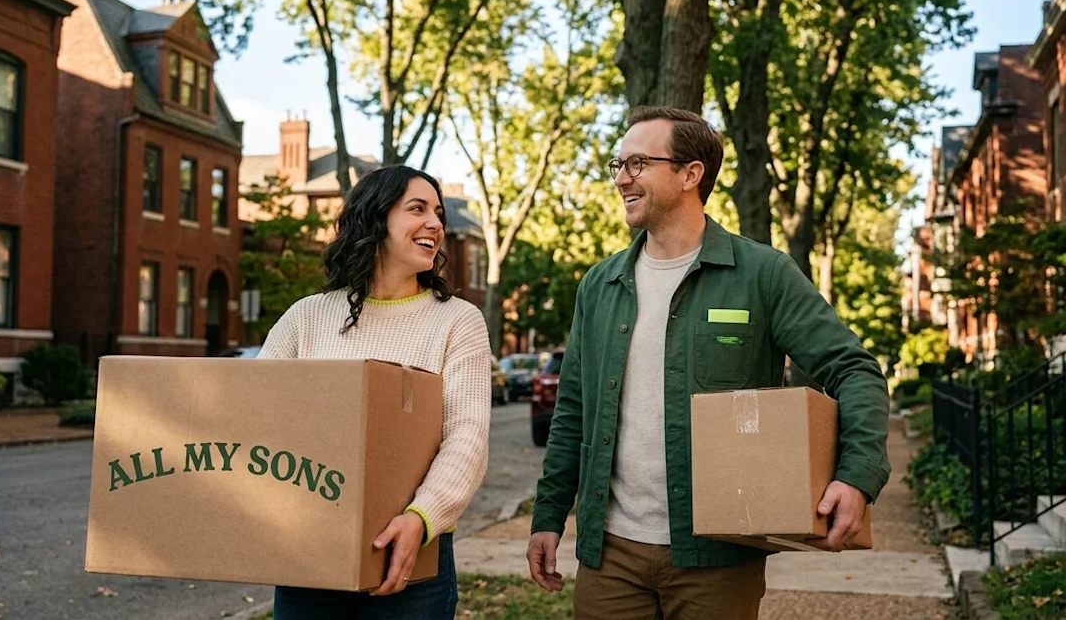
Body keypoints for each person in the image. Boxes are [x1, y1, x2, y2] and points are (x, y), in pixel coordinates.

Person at [525, 106, 891, 619]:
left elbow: (855, 371)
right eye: (618, 165)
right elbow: (573, 410)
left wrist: (855, 477)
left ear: (690, 174)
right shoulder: (600, 285)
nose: (621, 179)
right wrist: (548, 516)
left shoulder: (762, 274)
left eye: (637, 164)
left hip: (717, 553)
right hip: (610, 554)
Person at [258, 165, 491, 619]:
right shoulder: (307, 317)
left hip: (409, 556)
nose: (436, 225)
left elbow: (468, 435)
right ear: (374, 220)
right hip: (309, 551)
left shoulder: (457, 322)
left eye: (439, 213)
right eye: (417, 209)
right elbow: (253, 412)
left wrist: (421, 518)